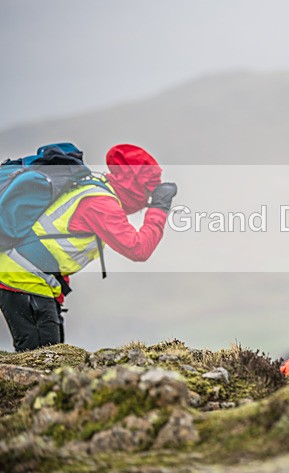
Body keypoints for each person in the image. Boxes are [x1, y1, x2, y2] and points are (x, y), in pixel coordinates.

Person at [0, 144, 177, 352]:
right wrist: (159, 207)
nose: (148, 198)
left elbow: (51, 242)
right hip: (23, 277)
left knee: (51, 359)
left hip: (33, 278)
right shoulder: (100, 203)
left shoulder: (95, 188)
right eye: (148, 189)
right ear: (134, 185)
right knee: (41, 363)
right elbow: (138, 249)